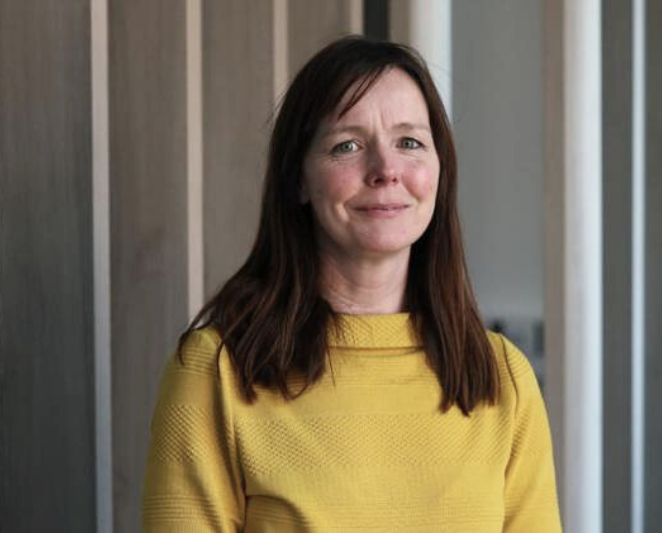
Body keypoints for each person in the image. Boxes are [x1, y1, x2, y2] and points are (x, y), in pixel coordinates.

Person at [141, 36, 561, 532]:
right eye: (348, 145)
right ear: (298, 179)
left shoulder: (502, 377)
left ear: (439, 172)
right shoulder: (215, 373)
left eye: (410, 142)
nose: (386, 170)